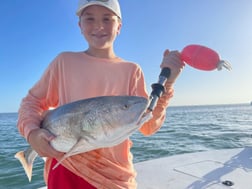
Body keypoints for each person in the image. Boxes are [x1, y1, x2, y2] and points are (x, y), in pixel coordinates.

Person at [17, 0, 185, 188]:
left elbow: (147, 126)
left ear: (119, 26)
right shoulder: (64, 62)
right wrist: (32, 134)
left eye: (107, 18)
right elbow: (31, 102)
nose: (98, 25)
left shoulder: (132, 70)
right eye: (90, 19)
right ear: (80, 25)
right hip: (66, 168)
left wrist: (168, 84)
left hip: (115, 175)